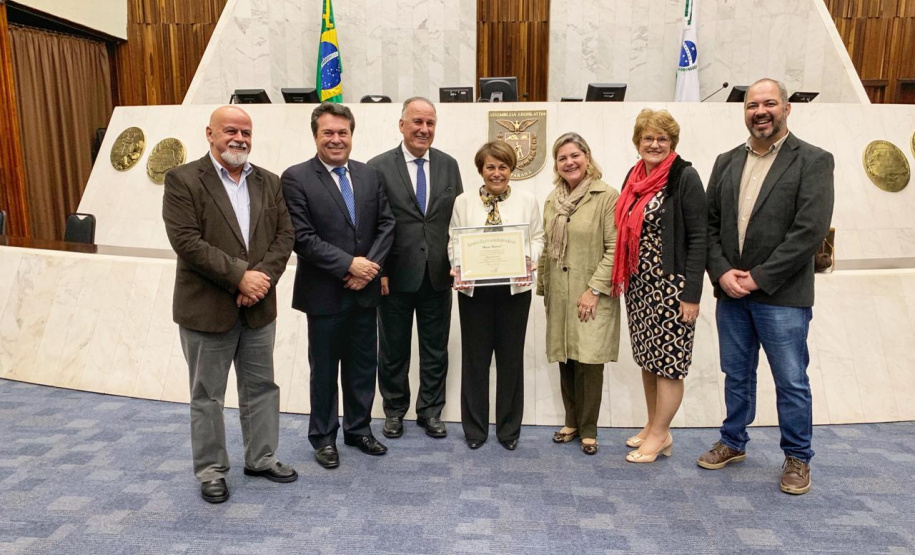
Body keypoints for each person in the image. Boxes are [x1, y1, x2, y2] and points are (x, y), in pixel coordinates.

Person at [699, 78, 834, 495]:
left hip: (782, 296)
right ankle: (733, 441)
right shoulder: (725, 161)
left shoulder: (813, 160)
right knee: (735, 374)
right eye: (752, 104)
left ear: (787, 108)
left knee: (791, 379)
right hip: (731, 293)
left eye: (769, 103)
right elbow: (709, 226)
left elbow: (808, 232)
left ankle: (797, 457)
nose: (760, 111)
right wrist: (722, 273)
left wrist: (759, 277)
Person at [162, 105, 297, 504]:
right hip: (206, 309)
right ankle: (211, 471)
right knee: (208, 395)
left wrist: (260, 281)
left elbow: (284, 236)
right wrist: (241, 275)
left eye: (246, 132)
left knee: (262, 388)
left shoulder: (269, 182)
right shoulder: (183, 179)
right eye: (231, 131)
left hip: (258, 307)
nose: (239, 139)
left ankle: (261, 458)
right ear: (210, 134)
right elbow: (187, 242)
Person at [281, 103, 395, 470]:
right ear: (315, 135)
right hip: (324, 294)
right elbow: (303, 237)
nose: (336, 139)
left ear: (351, 135)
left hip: (364, 292)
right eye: (328, 133)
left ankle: (359, 430)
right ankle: (324, 438)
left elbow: (387, 226)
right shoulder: (296, 177)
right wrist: (349, 265)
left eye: (342, 132)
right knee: (325, 371)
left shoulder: (369, 175)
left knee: (363, 368)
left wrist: (367, 269)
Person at [612, 109, 707, 463]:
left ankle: (661, 434)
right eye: (648, 138)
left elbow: (699, 238)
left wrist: (692, 294)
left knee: (669, 363)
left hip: (672, 287)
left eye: (662, 139)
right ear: (638, 142)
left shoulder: (685, 177)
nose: (654, 144)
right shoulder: (634, 176)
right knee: (649, 360)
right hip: (639, 285)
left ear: (672, 143)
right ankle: (653, 425)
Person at [368, 97, 463, 440]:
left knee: (436, 349)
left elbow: (459, 221)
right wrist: (378, 271)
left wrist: (462, 264)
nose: (424, 129)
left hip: (439, 275)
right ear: (402, 125)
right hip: (392, 277)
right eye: (418, 122)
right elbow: (371, 225)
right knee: (393, 349)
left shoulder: (450, 165)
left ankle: (431, 412)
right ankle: (394, 411)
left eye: (430, 123)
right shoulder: (377, 167)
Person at [448, 141, 545, 450]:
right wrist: (459, 265)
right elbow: (454, 239)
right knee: (474, 360)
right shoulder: (463, 202)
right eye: (490, 166)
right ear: (481, 169)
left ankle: (508, 430)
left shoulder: (528, 200)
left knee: (510, 359)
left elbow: (538, 237)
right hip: (474, 291)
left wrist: (528, 257)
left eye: (503, 166)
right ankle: (475, 430)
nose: (497, 173)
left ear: (511, 170)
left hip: (515, 290)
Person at [536, 132, 620, 456]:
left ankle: (589, 429)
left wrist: (594, 290)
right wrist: (543, 288)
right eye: (562, 158)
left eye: (575, 155)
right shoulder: (552, 199)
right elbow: (547, 246)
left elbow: (614, 249)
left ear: (587, 157)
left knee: (589, 362)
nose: (569, 162)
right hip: (559, 292)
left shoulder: (606, 196)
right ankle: (571, 421)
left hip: (592, 293)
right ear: (556, 165)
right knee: (565, 357)